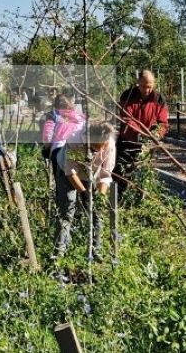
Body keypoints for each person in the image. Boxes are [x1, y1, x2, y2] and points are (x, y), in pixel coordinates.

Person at [52, 121, 117, 260]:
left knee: (96, 211)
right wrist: (83, 193)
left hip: (92, 174)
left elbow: (105, 175)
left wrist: (99, 197)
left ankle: (96, 250)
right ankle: (59, 252)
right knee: (67, 208)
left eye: (102, 146)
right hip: (66, 172)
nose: (99, 150)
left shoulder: (110, 145)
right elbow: (71, 172)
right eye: (95, 148)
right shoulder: (74, 141)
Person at [114, 70, 169, 198]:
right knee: (122, 173)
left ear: (154, 84)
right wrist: (141, 133)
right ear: (138, 83)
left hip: (148, 145)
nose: (147, 90)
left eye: (149, 86)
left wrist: (156, 134)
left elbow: (163, 123)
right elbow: (127, 119)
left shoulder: (159, 99)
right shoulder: (128, 95)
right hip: (127, 141)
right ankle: (119, 199)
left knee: (144, 175)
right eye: (143, 86)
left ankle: (140, 199)